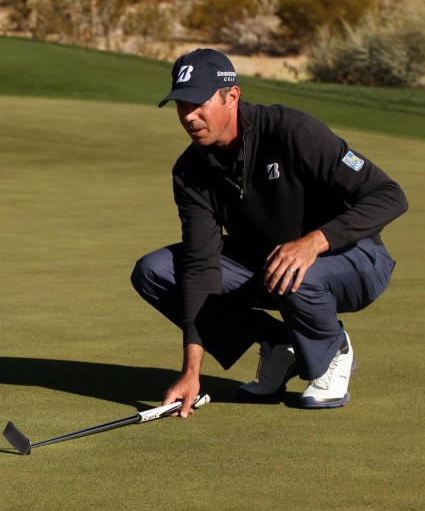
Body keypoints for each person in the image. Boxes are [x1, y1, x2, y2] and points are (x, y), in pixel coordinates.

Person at [132, 48, 408, 416]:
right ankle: (279, 345)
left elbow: (389, 195)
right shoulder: (191, 171)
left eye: (198, 103)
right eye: (182, 105)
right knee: (156, 271)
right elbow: (200, 265)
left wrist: (314, 242)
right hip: (270, 264)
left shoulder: (292, 131)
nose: (189, 116)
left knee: (297, 267)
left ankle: (333, 351)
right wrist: (191, 371)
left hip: (356, 258)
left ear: (232, 97)